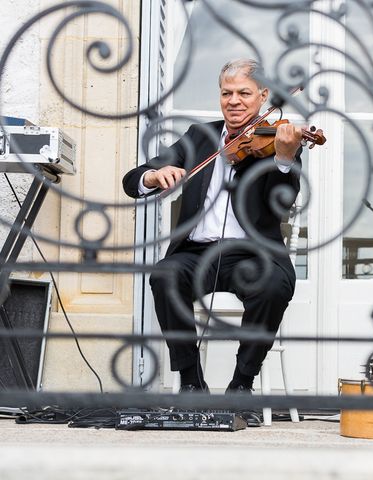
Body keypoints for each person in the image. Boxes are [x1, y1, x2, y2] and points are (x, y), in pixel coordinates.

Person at [123, 59, 303, 399]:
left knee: (273, 287)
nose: (234, 101)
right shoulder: (200, 136)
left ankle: (241, 385)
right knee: (164, 275)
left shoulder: (279, 140)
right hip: (196, 253)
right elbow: (133, 180)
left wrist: (281, 161)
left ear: (263, 96)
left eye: (244, 93)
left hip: (253, 254)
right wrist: (152, 176)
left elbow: (282, 202)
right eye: (226, 93)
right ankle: (191, 382)